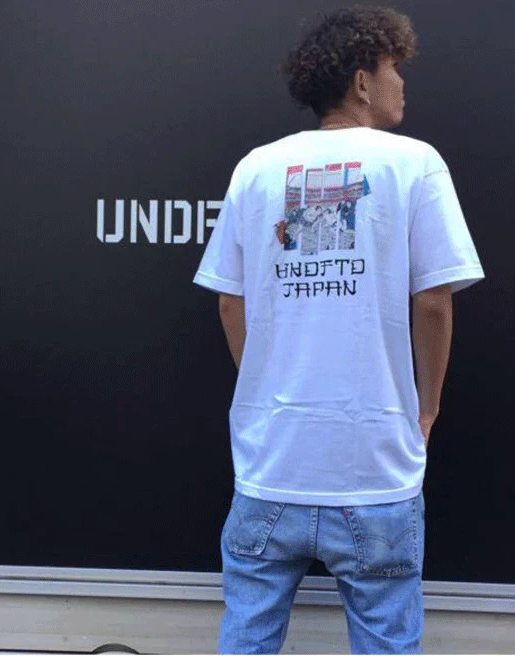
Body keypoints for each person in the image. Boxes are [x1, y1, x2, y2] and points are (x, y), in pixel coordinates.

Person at [192, 5, 484, 654]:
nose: (402, 84)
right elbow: (433, 301)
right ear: (360, 81)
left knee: (246, 640)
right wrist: (428, 407)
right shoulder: (414, 164)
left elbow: (230, 303)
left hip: (272, 464)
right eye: (394, 69)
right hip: (373, 466)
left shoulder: (255, 168)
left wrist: (264, 380)